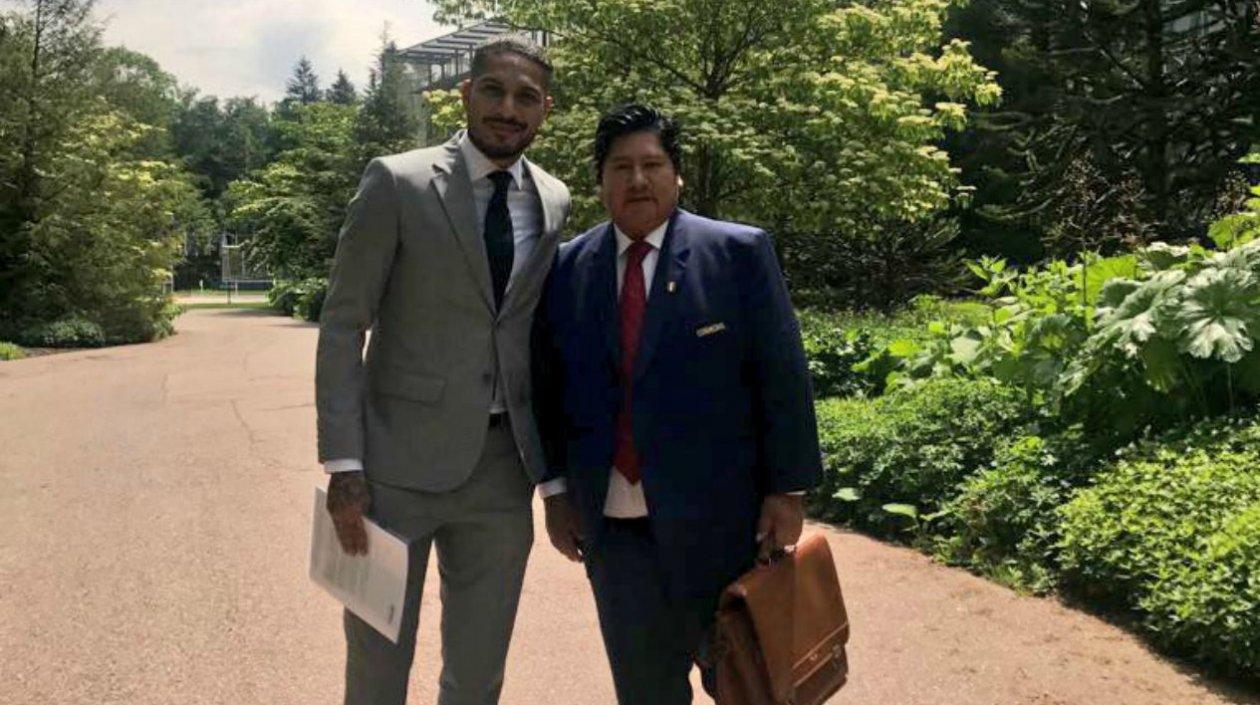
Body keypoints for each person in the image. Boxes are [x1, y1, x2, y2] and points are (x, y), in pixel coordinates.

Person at [536, 104, 822, 705]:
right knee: (645, 691)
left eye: (652, 164)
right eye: (621, 167)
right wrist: (557, 493)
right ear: (601, 180)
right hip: (616, 534)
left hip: (726, 525)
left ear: (677, 175)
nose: (637, 180)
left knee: (748, 685)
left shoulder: (737, 254)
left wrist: (787, 491)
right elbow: (549, 387)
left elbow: (782, 376)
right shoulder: (566, 269)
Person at [315, 35, 570, 705]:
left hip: (501, 473)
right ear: (465, 93)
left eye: (526, 97)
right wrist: (344, 463)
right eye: (494, 90)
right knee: (376, 665)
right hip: (392, 469)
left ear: (544, 109)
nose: (508, 108)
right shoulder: (397, 181)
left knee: (479, 673)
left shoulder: (554, 200)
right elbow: (344, 325)